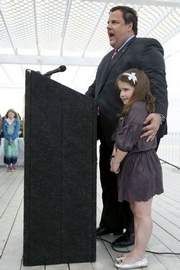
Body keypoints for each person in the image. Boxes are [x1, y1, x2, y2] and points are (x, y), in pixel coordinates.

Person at [86, 5, 168, 247]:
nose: (108, 26)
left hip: (136, 132)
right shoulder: (105, 60)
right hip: (107, 132)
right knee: (109, 180)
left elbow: (158, 83)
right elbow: (94, 92)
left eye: (114, 22)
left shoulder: (145, 46)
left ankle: (133, 232)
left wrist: (160, 114)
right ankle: (112, 223)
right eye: (107, 23)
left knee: (131, 185)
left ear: (129, 25)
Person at [110, 68, 163, 269]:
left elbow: (127, 140)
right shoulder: (132, 108)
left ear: (138, 88)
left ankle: (139, 255)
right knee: (136, 210)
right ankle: (136, 252)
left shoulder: (138, 108)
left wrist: (115, 161)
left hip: (141, 165)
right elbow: (120, 136)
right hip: (134, 165)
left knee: (142, 213)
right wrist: (115, 155)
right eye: (120, 90)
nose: (122, 94)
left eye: (126, 89)